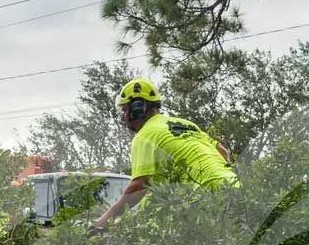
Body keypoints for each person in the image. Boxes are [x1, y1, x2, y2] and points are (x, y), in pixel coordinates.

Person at [91, 78, 238, 233]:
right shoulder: (186, 124)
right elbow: (223, 152)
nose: (123, 116)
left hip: (206, 200)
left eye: (125, 109)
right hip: (235, 189)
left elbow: (138, 187)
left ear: (137, 108)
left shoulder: (144, 135)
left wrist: (103, 220)